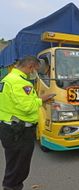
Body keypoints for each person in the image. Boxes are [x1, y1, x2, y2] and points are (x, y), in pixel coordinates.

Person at [0, 56, 55, 190]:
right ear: (30, 67)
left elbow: (17, 103)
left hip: (11, 128)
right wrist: (42, 99)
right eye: (35, 70)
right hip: (19, 131)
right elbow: (27, 107)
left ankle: (11, 186)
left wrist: (37, 100)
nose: (34, 73)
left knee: (14, 164)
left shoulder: (8, 79)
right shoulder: (20, 82)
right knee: (19, 167)